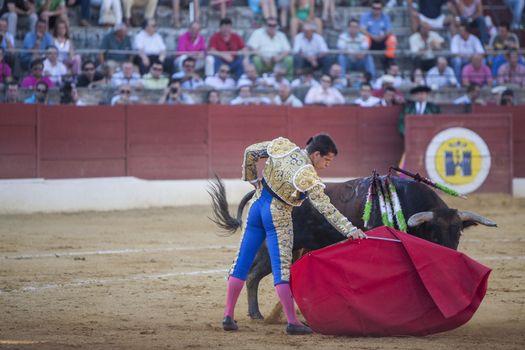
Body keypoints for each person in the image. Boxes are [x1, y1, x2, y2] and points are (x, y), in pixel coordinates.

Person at [222, 134, 365, 335]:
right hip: (277, 215)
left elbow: (250, 152)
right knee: (282, 268)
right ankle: (292, 322)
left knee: (241, 261)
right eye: (327, 160)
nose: (327, 165)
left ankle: (228, 315)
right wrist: (350, 230)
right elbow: (327, 208)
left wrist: (253, 180)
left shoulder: (283, 146)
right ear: (316, 155)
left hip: (256, 206)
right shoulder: (308, 176)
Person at [360, 0, 397, 69]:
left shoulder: (385, 17)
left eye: (378, 8)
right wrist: (372, 36)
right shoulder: (365, 16)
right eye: (375, 8)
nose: (376, 10)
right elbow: (362, 29)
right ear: (371, 8)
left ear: (381, 9)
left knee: (392, 38)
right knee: (365, 38)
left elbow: (389, 31)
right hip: (371, 39)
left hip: (382, 39)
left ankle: (390, 58)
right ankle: (364, 57)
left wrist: (382, 36)